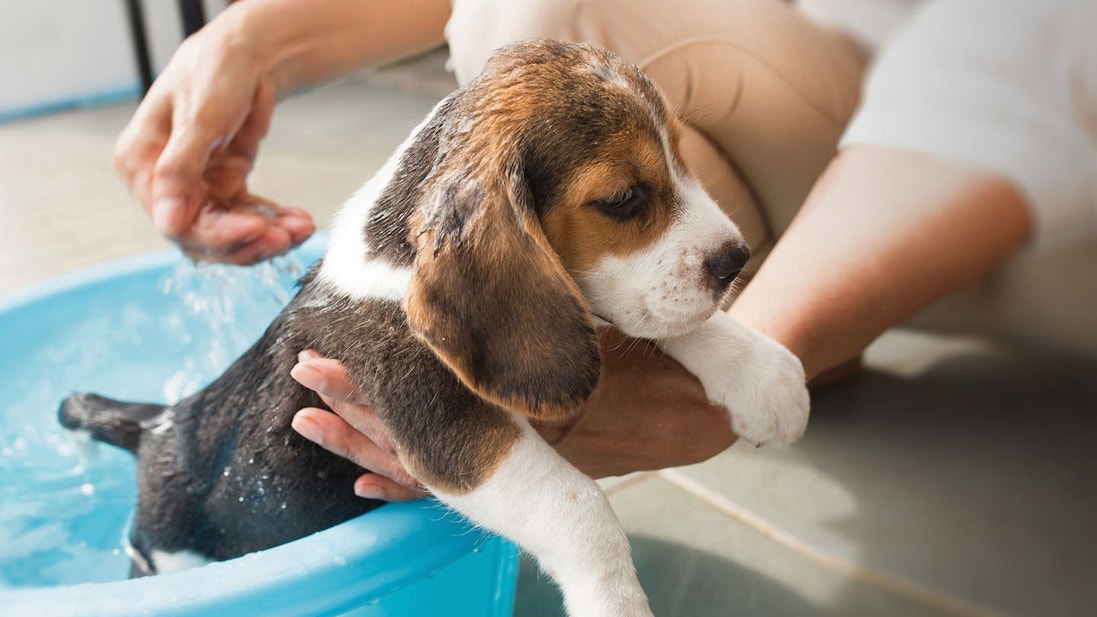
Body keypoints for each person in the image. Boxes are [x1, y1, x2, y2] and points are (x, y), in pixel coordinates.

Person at [113, 0, 1097, 501]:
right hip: (865, 67)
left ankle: (787, 330)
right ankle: (778, 324)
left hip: (1059, 165)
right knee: (534, 20)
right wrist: (256, 40)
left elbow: (1033, 53)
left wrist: (746, 357)